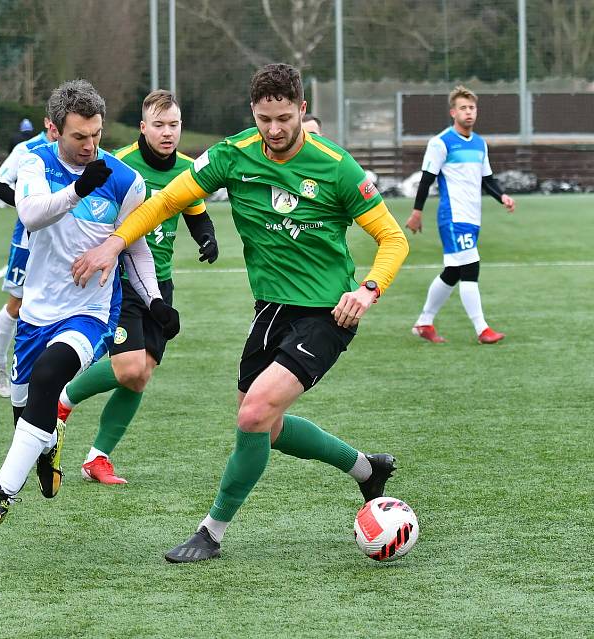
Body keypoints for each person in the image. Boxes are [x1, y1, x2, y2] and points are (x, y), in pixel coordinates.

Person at [71, 63, 409, 562]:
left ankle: (211, 532)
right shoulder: (232, 156)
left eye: (285, 118)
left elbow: (392, 238)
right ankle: (365, 469)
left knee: (252, 415)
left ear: (302, 110)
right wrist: (114, 244)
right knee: (266, 427)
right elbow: (166, 202)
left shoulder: (336, 166)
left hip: (328, 315)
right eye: (264, 118)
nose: (274, 129)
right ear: (253, 112)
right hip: (270, 311)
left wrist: (368, 290)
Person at [0, 80, 180, 525]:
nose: (90, 146)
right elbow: (30, 214)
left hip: (91, 310)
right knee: (27, 407)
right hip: (36, 311)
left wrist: (156, 300)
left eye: (97, 135)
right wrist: (79, 190)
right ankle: (47, 449)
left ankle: (1, 494)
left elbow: (134, 246)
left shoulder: (124, 180)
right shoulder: (34, 163)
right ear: (53, 129)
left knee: (50, 377)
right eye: (78, 137)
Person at [56, 89, 219, 484]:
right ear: (143, 127)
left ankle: (97, 458)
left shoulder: (186, 168)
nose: (168, 133)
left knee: (141, 374)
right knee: (129, 367)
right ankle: (63, 399)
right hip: (122, 280)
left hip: (160, 282)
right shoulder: (119, 165)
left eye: (174, 125)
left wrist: (207, 237)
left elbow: (196, 212)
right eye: (159, 125)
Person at [405, 85, 516, 344]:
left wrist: (503, 197)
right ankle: (482, 329)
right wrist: (417, 212)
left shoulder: (479, 144)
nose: (468, 112)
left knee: (453, 272)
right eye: (463, 108)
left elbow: (487, 179)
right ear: (453, 112)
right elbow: (426, 180)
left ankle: (424, 322)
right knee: (470, 268)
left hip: (472, 217)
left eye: (472, 108)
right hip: (453, 217)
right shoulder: (441, 142)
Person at [0, 116, 58, 398]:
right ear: (47, 123)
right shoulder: (27, 149)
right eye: (54, 124)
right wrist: (30, 205)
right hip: (28, 238)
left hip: (63, 238)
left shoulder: (74, 148)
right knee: (17, 304)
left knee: (55, 300)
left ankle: (49, 369)